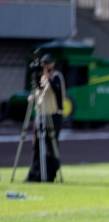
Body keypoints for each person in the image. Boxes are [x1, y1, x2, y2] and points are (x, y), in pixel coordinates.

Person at [26, 53, 66, 182]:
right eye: (44, 64)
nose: (46, 66)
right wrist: (37, 76)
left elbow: (56, 90)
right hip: (41, 114)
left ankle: (50, 174)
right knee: (37, 145)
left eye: (48, 63)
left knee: (51, 145)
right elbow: (38, 90)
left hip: (53, 114)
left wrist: (48, 78)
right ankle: (35, 174)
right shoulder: (42, 77)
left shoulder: (56, 76)